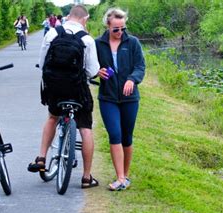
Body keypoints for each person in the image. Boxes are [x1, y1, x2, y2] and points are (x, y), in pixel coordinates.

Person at [28, 5, 100, 189]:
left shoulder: (52, 33)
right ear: (86, 18)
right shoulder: (87, 39)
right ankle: (86, 177)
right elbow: (92, 71)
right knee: (85, 129)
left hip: (55, 88)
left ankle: (42, 158)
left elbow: (42, 63)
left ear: (69, 17)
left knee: (53, 117)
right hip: (77, 89)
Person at [95, 8, 145, 191]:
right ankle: (120, 177)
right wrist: (96, 71)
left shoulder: (132, 43)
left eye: (122, 28)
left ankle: (125, 175)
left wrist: (132, 79)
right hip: (108, 97)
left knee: (126, 137)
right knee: (114, 134)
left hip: (129, 98)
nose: (120, 33)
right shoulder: (98, 44)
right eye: (116, 29)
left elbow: (140, 66)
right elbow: (91, 65)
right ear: (107, 25)